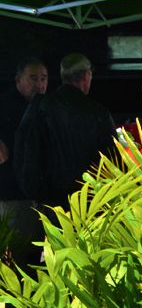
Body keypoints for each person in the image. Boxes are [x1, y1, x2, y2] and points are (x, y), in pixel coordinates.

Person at [14, 54, 115, 209]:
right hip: (90, 200)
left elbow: (24, 152)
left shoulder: (40, 107)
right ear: (86, 75)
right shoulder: (98, 113)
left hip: (50, 202)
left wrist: (36, 193)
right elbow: (111, 159)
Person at [0, 57, 48, 264]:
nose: (40, 84)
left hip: (38, 193)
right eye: (34, 78)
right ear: (18, 80)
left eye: (44, 78)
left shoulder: (45, 106)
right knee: (17, 257)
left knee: (34, 257)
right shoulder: (5, 105)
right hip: (13, 194)